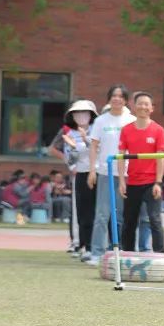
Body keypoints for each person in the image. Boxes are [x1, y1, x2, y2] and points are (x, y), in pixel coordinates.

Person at [86, 85, 135, 264]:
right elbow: (93, 146)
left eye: (121, 96)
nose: (117, 99)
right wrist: (92, 170)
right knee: (102, 214)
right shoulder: (101, 121)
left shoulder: (131, 120)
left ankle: (118, 250)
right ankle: (97, 253)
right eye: (114, 96)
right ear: (109, 98)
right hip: (105, 173)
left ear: (125, 100)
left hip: (127, 174)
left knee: (121, 215)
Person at [117, 91, 164, 253]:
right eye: (140, 103)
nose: (143, 107)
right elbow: (120, 157)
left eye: (147, 104)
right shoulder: (126, 130)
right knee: (129, 221)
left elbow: (161, 158)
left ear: (152, 108)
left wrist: (158, 182)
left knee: (154, 219)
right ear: (133, 106)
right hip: (132, 182)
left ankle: (160, 254)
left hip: (151, 183)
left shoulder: (158, 130)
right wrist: (121, 181)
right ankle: (127, 253)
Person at [56, 100, 97, 259]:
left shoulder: (96, 130)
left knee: (95, 211)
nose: (81, 116)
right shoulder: (70, 134)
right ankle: (83, 245)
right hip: (79, 174)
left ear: (91, 115)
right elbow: (70, 159)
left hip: (96, 173)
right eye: (77, 113)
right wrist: (73, 148)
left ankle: (95, 246)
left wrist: (84, 140)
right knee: (81, 212)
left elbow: (97, 150)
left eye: (85, 113)